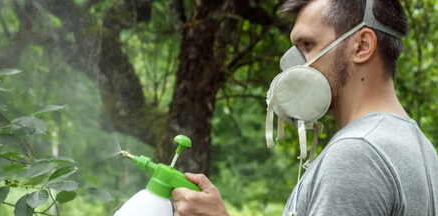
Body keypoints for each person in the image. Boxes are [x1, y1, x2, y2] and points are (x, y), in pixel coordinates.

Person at [171, 0, 438, 215]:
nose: (294, 65)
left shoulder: (357, 154)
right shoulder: (423, 151)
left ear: (362, 46)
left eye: (307, 45)